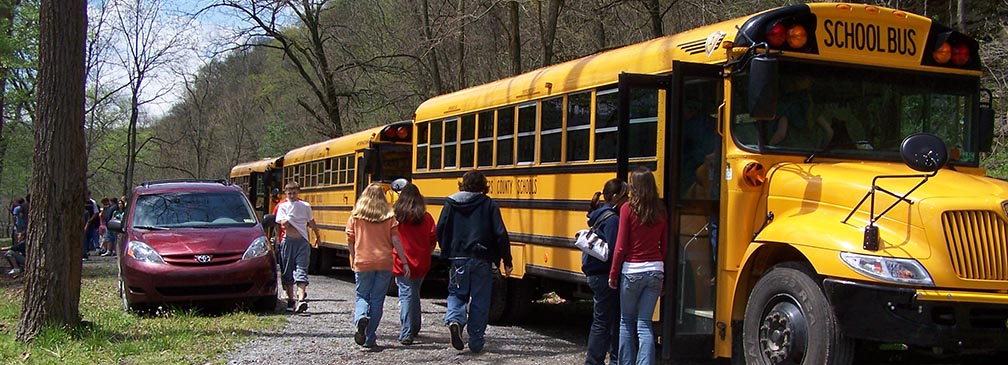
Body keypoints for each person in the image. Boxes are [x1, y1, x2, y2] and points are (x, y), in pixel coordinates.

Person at [436, 170, 512, 353]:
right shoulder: (489, 204)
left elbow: (441, 228)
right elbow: (500, 233)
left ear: (463, 184)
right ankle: (476, 341)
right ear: (483, 185)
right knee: (480, 299)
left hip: (458, 258)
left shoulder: (451, 202)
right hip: (482, 258)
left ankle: (455, 320)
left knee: (456, 293)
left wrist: (447, 249)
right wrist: (506, 260)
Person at [609, 167, 668, 365]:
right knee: (645, 324)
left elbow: (620, 246)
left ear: (634, 186)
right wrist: (663, 272)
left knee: (626, 322)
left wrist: (613, 273)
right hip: (655, 271)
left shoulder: (627, 208)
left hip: (632, 271)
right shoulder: (661, 209)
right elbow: (665, 246)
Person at [346, 183, 411, 349]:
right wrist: (404, 262)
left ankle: (361, 318)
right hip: (384, 262)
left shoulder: (356, 215)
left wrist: (353, 257)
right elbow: (396, 240)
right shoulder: (389, 217)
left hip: (363, 261)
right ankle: (369, 337)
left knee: (362, 296)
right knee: (377, 300)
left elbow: (350, 239)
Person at [583, 178, 628, 365]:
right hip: (604, 274)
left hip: (594, 273)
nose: (628, 199)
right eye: (625, 195)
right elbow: (614, 250)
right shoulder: (613, 219)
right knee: (607, 320)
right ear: (616, 197)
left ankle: (596, 360)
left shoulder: (600, 214)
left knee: (602, 318)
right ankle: (599, 360)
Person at [391, 182, 438, 345]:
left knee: (406, 294)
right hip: (422, 261)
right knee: (414, 293)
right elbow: (433, 239)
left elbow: (390, 238)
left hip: (401, 261)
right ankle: (415, 326)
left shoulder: (396, 217)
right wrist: (426, 252)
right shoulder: (426, 217)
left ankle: (407, 332)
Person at [274, 181, 321, 313]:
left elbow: (311, 221)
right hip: (288, 241)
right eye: (289, 193)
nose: (292, 196)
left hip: (302, 241)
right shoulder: (282, 207)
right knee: (287, 271)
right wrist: (290, 217)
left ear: (298, 192)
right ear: (285, 193)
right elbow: (282, 224)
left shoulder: (305, 206)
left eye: (294, 193)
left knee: (302, 269)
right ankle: (291, 300)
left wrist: (317, 235)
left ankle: (301, 300)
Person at [83, 191, 100, 260]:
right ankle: (85, 251)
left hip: (91, 223)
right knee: (85, 238)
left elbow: (96, 213)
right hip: (83, 222)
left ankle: (96, 248)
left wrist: (90, 220)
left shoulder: (92, 202)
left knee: (92, 236)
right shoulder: (81, 201)